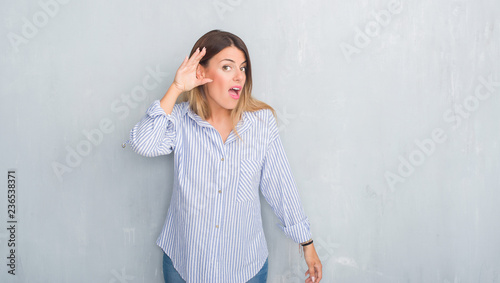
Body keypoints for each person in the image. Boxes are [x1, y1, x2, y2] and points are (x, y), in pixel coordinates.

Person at [122, 30, 322, 283]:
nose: (239, 75)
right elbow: (143, 144)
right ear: (201, 73)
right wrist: (176, 88)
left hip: (245, 268)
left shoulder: (261, 123)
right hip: (185, 263)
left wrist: (307, 243)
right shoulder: (180, 120)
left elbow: (281, 186)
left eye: (243, 67)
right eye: (227, 67)